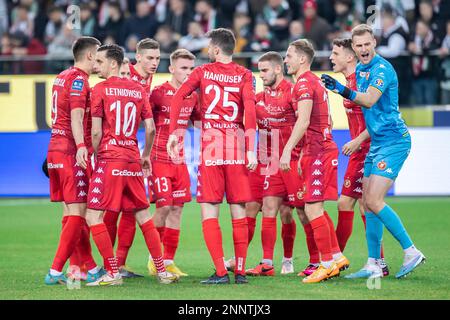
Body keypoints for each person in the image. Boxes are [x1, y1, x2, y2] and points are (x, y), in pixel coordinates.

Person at [321, 24, 426, 279]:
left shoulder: (381, 69)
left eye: (367, 44)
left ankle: (411, 251)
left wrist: (341, 90)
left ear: (374, 42)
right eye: (359, 46)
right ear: (354, 49)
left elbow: (368, 100)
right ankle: (374, 263)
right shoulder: (360, 69)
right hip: (377, 142)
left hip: (393, 141)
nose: (363, 49)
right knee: (367, 204)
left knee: (375, 201)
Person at [167, 28, 257, 284]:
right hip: (238, 150)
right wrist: (251, 147)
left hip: (211, 151)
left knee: (210, 211)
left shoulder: (202, 72)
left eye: (209, 47)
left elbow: (178, 97)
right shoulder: (245, 75)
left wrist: (175, 132)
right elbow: (249, 112)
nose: (207, 51)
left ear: (217, 50)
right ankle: (240, 271)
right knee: (238, 210)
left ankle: (220, 272)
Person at [84, 44, 178, 286]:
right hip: (133, 158)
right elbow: (151, 128)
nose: (96, 66)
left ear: (113, 63)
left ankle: (113, 272)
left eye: (100, 62)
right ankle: (162, 271)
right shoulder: (138, 90)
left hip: (110, 158)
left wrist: (95, 155)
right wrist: (145, 155)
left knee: (93, 215)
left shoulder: (100, 89)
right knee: (143, 213)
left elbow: (95, 132)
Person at [281, 39, 347, 283]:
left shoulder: (304, 84)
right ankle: (337, 256)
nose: (285, 60)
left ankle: (326, 263)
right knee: (315, 207)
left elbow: (304, 121)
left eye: (289, 55)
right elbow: (324, 120)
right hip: (318, 150)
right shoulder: (315, 81)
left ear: (302, 59)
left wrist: (288, 150)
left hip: (320, 151)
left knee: (312, 208)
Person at [44, 36, 104, 285]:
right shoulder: (80, 80)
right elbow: (76, 118)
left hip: (54, 149)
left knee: (71, 213)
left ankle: (89, 267)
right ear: (90, 55)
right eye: (98, 55)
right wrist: (82, 147)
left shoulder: (62, 76)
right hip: (70, 151)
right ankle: (56, 270)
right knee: (79, 213)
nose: (100, 60)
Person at [329, 38, 390, 276]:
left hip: (367, 149)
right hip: (360, 150)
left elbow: (377, 118)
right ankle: (372, 262)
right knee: (361, 206)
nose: (331, 57)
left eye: (335, 53)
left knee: (356, 204)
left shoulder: (363, 81)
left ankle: (333, 260)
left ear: (349, 57)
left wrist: (357, 140)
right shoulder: (349, 81)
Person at [103, 38, 160, 275]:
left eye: (158, 58)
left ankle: (119, 263)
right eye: (150, 58)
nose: (155, 63)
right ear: (138, 58)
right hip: (112, 150)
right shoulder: (129, 79)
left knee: (130, 209)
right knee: (110, 209)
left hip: (130, 151)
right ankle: (101, 264)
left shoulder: (146, 80)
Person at [244, 51, 302, 276]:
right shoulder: (258, 98)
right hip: (265, 162)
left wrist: (301, 154)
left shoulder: (293, 93)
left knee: (288, 212)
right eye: (259, 71)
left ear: (278, 69)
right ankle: (259, 261)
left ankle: (288, 259)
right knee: (257, 206)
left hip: (289, 161)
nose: (262, 75)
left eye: (265, 70)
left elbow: (307, 123)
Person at [147, 49, 198, 278]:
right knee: (164, 206)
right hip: (159, 158)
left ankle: (168, 261)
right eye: (183, 68)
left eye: (190, 68)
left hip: (179, 160)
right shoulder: (158, 93)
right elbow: (145, 121)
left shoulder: (193, 96)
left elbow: (198, 122)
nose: (187, 73)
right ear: (172, 69)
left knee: (177, 210)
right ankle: (154, 258)